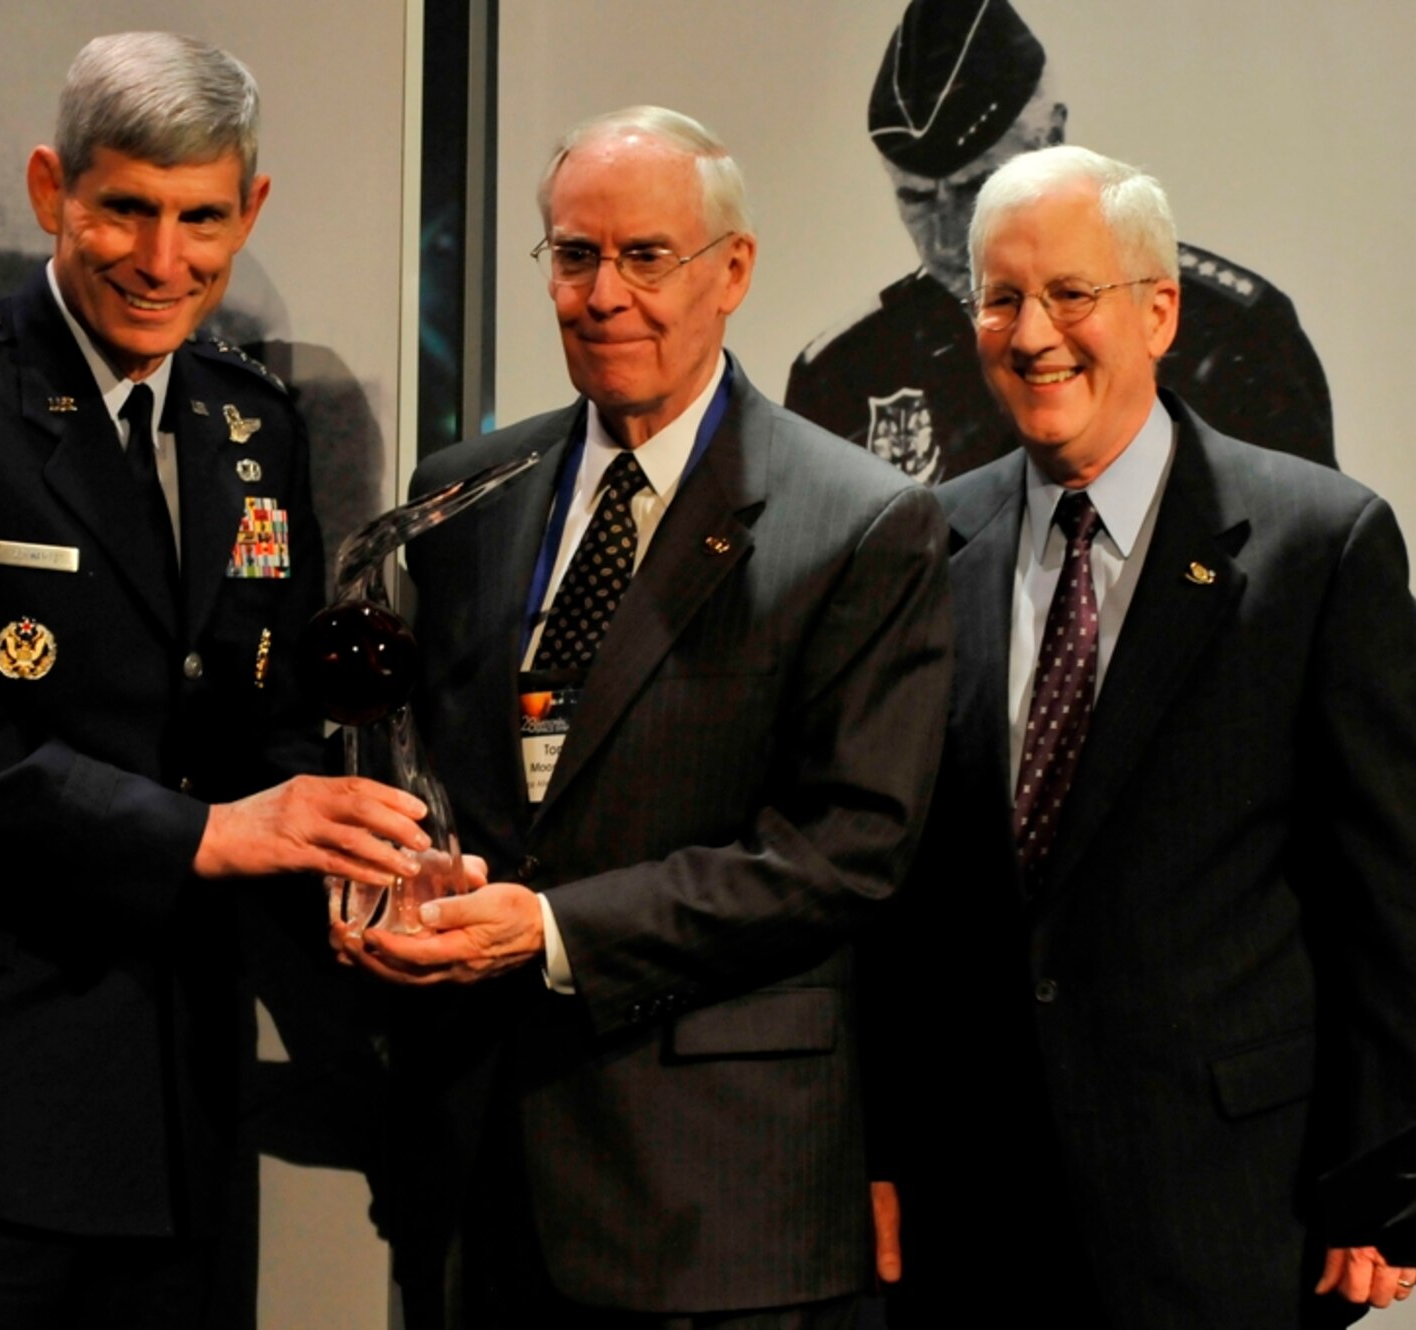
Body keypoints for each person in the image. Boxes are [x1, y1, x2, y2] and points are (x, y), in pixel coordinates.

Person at [0, 32, 429, 1326]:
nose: (162, 260)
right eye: (125, 208)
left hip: (185, 1113)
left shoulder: (255, 423)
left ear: (250, 210)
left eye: (201, 218)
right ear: (50, 191)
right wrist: (207, 832)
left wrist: (378, 854)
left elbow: (261, 725)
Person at [337, 107, 952, 1328]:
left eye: (644, 257)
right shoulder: (457, 495)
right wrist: (401, 878)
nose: (603, 294)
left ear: (732, 270)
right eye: (574, 256)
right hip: (477, 1180)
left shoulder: (858, 523)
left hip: (714, 1212)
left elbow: (846, 850)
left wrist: (551, 927)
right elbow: (465, 774)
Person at [872, 143, 1416, 1329]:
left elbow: (1393, 900)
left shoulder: (1315, 546)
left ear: (1159, 310)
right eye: (999, 297)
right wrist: (877, 1140)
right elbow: (895, 895)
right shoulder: (922, 544)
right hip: (972, 1212)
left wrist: (1387, 1175)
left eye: (1068, 294)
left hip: (1230, 1208)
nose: (1031, 333)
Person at [786, 0, 1335, 484]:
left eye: (977, 189)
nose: (947, 237)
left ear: (1050, 139)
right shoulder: (846, 373)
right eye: (917, 199)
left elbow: (1313, 563)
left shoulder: (1228, 335)